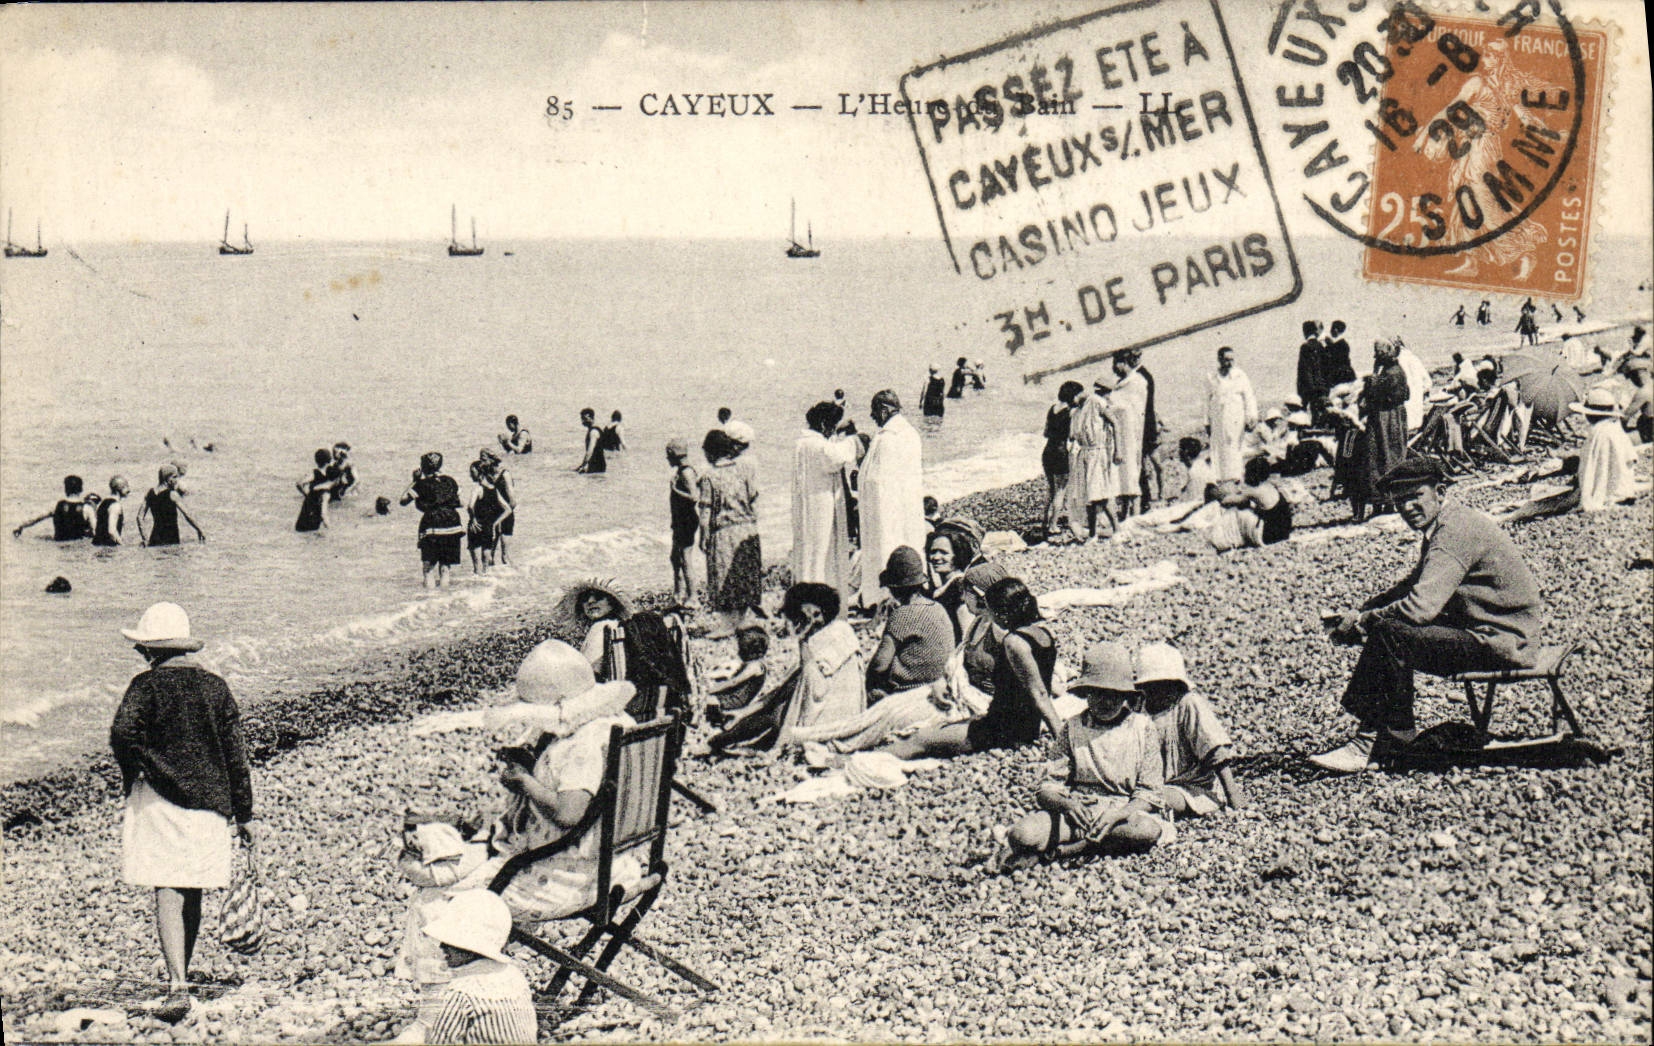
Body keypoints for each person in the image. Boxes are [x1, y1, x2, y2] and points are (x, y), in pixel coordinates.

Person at [396, 640, 635, 1035]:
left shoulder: (582, 745)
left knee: (434, 902)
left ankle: (436, 1020)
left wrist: (524, 782)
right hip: (617, 864)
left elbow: (568, 813)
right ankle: (474, 995)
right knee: (459, 870)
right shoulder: (617, 724)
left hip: (571, 879)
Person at [1313, 458, 1545, 772]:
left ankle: (1372, 742)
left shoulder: (1454, 532)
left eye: (1414, 496)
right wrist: (1363, 611)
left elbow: (1421, 608)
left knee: (1391, 634)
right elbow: (1412, 584)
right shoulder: (1451, 521)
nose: (1407, 508)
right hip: (1498, 631)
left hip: (1502, 641)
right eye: (1399, 501)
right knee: (1389, 629)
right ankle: (1392, 733)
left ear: (1440, 491)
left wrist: (1365, 623)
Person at [110, 603, 254, 1024]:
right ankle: (182, 975)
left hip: (160, 796)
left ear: (152, 650)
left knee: (168, 888)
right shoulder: (216, 687)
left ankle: (177, 983)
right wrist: (245, 814)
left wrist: (135, 769)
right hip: (211, 799)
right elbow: (235, 755)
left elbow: (122, 733)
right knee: (192, 886)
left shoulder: (146, 686)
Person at [992, 642, 1171, 872]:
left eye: (1113, 695)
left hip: (1121, 814)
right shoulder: (1073, 727)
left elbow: (1149, 794)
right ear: (1086, 693)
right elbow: (1047, 787)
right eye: (1097, 693)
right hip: (1078, 812)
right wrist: (1066, 804)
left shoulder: (1142, 727)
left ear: (1126, 696)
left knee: (1145, 830)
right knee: (1022, 835)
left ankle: (1073, 850)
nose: (1105, 702)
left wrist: (1117, 815)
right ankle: (1083, 845)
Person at [883, 576, 1062, 759]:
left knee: (920, 739)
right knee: (937, 731)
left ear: (1002, 614)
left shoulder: (1014, 643)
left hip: (1002, 730)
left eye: (990, 610)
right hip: (1015, 724)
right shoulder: (1043, 634)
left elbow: (1039, 694)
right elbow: (1043, 687)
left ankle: (868, 761)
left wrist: (1063, 742)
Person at [709, 582, 865, 753]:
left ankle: (719, 742)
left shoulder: (836, 635)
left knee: (776, 713)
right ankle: (725, 741)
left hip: (831, 721)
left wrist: (803, 638)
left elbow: (814, 688)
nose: (812, 620)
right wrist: (744, 712)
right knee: (776, 709)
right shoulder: (828, 634)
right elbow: (790, 686)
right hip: (825, 715)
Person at [1498, 389, 1645, 522]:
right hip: (1623, 489)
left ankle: (1508, 517)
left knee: (1533, 506)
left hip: (1610, 495)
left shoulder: (1598, 434)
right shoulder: (1615, 429)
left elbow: (1588, 471)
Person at [415, 891, 536, 1046]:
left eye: (450, 942)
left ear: (470, 948)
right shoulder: (514, 975)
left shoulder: (459, 993)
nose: (442, 946)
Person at [1137, 643, 1244, 816]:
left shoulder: (1187, 705)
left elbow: (1214, 751)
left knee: (1157, 798)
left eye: (1168, 685)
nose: (1161, 691)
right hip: (1146, 785)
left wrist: (1235, 800)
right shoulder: (1138, 710)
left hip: (1189, 787)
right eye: (1154, 686)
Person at [856, 391, 927, 610]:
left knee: (885, 547)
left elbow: (878, 481)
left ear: (885, 410)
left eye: (875, 411)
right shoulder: (909, 433)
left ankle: (881, 599)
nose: (872, 416)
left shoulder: (889, 437)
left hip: (886, 510)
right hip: (905, 506)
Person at [790, 402, 858, 605]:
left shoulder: (802, 443)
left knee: (809, 551)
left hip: (807, 504)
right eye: (832, 426)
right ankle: (820, 598)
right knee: (822, 551)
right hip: (820, 505)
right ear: (822, 425)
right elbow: (836, 456)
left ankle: (807, 597)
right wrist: (853, 440)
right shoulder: (818, 445)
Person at [865, 547, 953, 701]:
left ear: (894, 587)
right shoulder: (938, 608)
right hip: (939, 685)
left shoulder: (902, 614)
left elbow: (880, 664)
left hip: (910, 691)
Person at [698, 427, 762, 624]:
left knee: (723, 577)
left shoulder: (709, 476)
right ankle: (742, 619)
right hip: (747, 528)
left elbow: (705, 511)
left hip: (724, 531)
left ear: (710, 453)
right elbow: (754, 498)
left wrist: (704, 536)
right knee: (745, 575)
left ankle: (728, 623)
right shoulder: (744, 470)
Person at [1350, 339, 1411, 522]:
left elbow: (1375, 393)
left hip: (1384, 418)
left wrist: (1370, 382)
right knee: (1390, 455)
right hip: (1394, 418)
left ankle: (1383, 500)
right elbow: (1405, 394)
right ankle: (1389, 500)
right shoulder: (1397, 371)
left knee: (1379, 456)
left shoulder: (1389, 374)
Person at [400, 452, 465, 588]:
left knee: (428, 568)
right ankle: (444, 598)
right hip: (453, 523)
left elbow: (403, 500)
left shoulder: (421, 484)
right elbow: (461, 503)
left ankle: (430, 600)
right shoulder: (451, 481)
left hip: (433, 524)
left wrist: (414, 480)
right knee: (445, 568)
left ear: (423, 467)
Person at [1066, 378, 1119, 541]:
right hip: (1085, 453)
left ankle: (1096, 533)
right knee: (1092, 494)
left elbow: (1115, 423)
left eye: (1071, 399)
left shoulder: (1096, 401)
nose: (1072, 403)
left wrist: (1118, 450)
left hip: (1097, 451)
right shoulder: (1077, 411)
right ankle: (1110, 529)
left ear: (1077, 394)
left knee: (1097, 494)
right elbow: (1073, 436)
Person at [1205, 457, 1294, 551]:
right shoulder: (1269, 486)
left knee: (1235, 512)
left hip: (1268, 537)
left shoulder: (1254, 491)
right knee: (1249, 509)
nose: (1244, 475)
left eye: (1246, 472)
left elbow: (1226, 501)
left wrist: (1217, 492)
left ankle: (1223, 542)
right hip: (1284, 533)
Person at [1205, 346, 1258, 482]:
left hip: (1235, 417)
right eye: (1226, 360)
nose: (1229, 363)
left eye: (1232, 360)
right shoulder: (1211, 377)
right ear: (1219, 359)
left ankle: (1236, 476)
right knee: (1218, 447)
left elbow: (1249, 397)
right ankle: (1220, 477)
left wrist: (1252, 416)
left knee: (1234, 445)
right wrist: (1206, 421)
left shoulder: (1240, 375)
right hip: (1217, 418)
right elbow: (1206, 400)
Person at [1108, 353, 1149, 520]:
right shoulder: (1121, 383)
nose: (1114, 368)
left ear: (1124, 363)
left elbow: (1135, 408)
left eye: (1116, 363)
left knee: (1131, 470)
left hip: (1131, 433)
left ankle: (1136, 513)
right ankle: (1125, 512)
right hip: (1121, 434)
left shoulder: (1137, 381)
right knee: (1122, 472)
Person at [703, 626, 769, 728]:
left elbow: (734, 682)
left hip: (736, 700)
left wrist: (711, 690)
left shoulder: (754, 666)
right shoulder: (755, 664)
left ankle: (720, 718)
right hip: (736, 697)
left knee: (704, 701)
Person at [1040, 381, 1081, 539]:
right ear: (1073, 395)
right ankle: (1053, 525)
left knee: (1051, 489)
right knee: (1061, 490)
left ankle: (1045, 521)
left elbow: (1045, 432)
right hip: (1061, 451)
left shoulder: (1052, 409)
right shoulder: (1071, 412)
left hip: (1047, 450)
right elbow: (1072, 435)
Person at [666, 439, 701, 607]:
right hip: (680, 520)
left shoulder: (686, 472)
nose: (667, 459)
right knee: (675, 557)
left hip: (686, 520)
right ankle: (678, 593)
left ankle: (693, 596)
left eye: (668, 455)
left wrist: (675, 490)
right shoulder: (683, 471)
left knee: (685, 558)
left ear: (673, 455)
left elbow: (694, 497)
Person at [138, 464, 205, 546]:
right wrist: (200, 530)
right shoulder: (172, 494)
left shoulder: (150, 493)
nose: (177, 480)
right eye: (175, 477)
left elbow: (139, 517)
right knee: (172, 558)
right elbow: (188, 515)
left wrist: (145, 538)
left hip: (154, 538)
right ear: (168, 478)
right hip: (171, 537)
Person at [14, 474, 95, 541]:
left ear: (65, 489)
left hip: (59, 545)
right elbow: (96, 531)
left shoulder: (56, 506)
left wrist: (21, 526)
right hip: (79, 548)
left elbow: (36, 518)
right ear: (81, 489)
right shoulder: (87, 508)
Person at [925, 530, 971, 641]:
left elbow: (967, 634)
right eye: (933, 552)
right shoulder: (941, 588)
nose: (936, 557)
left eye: (944, 552)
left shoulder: (959, 587)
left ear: (958, 555)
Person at [479, 450, 515, 566]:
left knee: (505, 556)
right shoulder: (484, 475)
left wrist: (501, 519)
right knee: (488, 555)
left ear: (492, 460)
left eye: (483, 459)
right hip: (491, 515)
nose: (481, 462)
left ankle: (514, 576)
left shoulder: (505, 475)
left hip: (506, 514)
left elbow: (513, 502)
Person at [1394, 338, 1432, 432]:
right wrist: (1421, 392)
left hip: (1405, 413)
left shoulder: (1398, 362)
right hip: (1417, 414)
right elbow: (1428, 382)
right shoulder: (1414, 358)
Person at [295, 448, 337, 533]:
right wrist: (333, 532)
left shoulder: (314, 473)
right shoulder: (325, 491)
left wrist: (307, 495)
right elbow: (324, 515)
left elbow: (299, 483)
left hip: (303, 519)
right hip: (313, 523)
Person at [1297, 319, 1328, 416]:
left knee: (1310, 413)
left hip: (1309, 387)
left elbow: (1305, 369)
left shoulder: (1305, 347)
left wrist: (1305, 389)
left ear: (1305, 332)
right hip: (1322, 386)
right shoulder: (1321, 346)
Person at [1621, 355, 1652, 444]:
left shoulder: (1643, 392)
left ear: (1635, 376)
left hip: (1649, 433)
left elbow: (1625, 417)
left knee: (1621, 441)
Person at [94, 475, 132, 547]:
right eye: (125, 487)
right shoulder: (115, 506)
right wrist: (123, 545)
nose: (129, 490)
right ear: (118, 489)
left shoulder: (102, 503)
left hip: (97, 545)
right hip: (108, 547)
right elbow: (111, 531)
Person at [1324, 320, 1357, 389]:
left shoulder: (1341, 345)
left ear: (1335, 330)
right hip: (1344, 375)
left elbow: (1337, 359)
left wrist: (1330, 345)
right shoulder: (1343, 344)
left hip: (1339, 376)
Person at [576, 408, 607, 474]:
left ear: (591, 418)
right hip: (597, 464)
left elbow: (590, 451)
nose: (583, 421)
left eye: (585, 419)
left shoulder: (593, 432)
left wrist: (583, 465)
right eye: (582, 419)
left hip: (597, 465)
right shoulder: (594, 430)